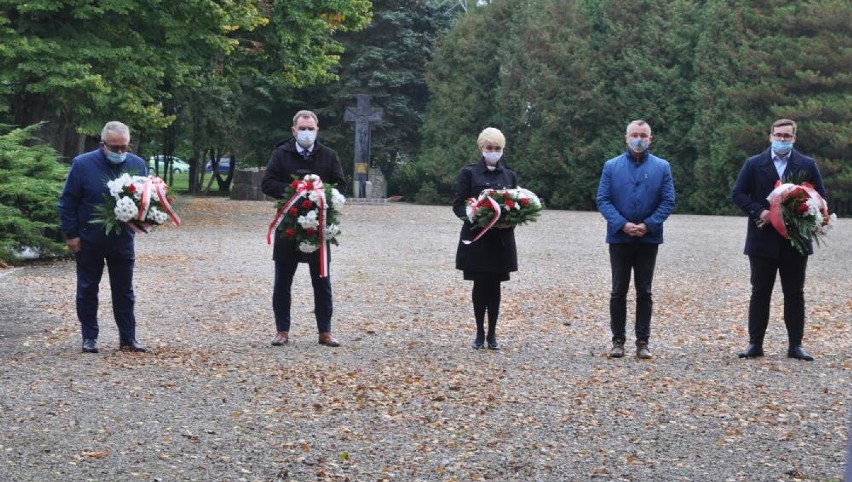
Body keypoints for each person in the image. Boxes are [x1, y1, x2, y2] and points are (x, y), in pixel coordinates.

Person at [731, 118, 826, 361]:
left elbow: (820, 197)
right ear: (770, 136)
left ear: (794, 138)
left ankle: (795, 345)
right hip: (762, 239)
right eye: (778, 135)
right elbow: (738, 194)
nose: (782, 139)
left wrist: (801, 214)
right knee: (760, 292)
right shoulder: (753, 164)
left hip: (795, 240)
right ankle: (755, 344)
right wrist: (759, 211)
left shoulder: (807, 164)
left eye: (787, 136)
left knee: (794, 293)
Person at [58, 121, 149, 353]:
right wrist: (72, 234)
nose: (120, 152)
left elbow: (145, 202)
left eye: (124, 147)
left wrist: (144, 220)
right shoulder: (82, 164)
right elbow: (68, 201)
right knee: (88, 288)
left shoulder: (138, 164)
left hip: (122, 240)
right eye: (115, 147)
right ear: (103, 144)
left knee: (124, 291)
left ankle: (128, 338)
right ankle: (89, 337)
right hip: (90, 239)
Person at [261, 110, 346, 347]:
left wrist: (322, 194)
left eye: (310, 128)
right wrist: (294, 190)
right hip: (288, 225)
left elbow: (341, 185)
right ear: (293, 130)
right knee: (282, 282)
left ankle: (325, 332)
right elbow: (267, 183)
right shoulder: (280, 154)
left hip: (317, 228)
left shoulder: (329, 156)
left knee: (321, 281)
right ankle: (282, 330)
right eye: (302, 128)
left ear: (317, 130)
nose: (306, 132)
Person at [596, 120, 676, 359]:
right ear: (626, 137)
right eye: (634, 134)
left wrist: (648, 225)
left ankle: (643, 341)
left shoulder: (662, 167)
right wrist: (622, 224)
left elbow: (668, 200)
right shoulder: (611, 166)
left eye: (643, 135)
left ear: (650, 139)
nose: (638, 139)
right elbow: (603, 199)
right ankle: (618, 340)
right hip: (619, 238)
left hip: (648, 239)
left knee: (645, 291)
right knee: (618, 291)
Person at [452, 127, 518, 350]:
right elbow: (458, 204)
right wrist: (473, 216)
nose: (493, 152)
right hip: (478, 238)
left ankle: (492, 334)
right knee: (480, 285)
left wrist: (512, 220)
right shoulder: (469, 173)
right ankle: (479, 332)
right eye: (490, 148)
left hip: (500, 240)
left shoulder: (509, 175)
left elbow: (517, 206)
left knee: (495, 287)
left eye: (497, 148)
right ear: (482, 148)